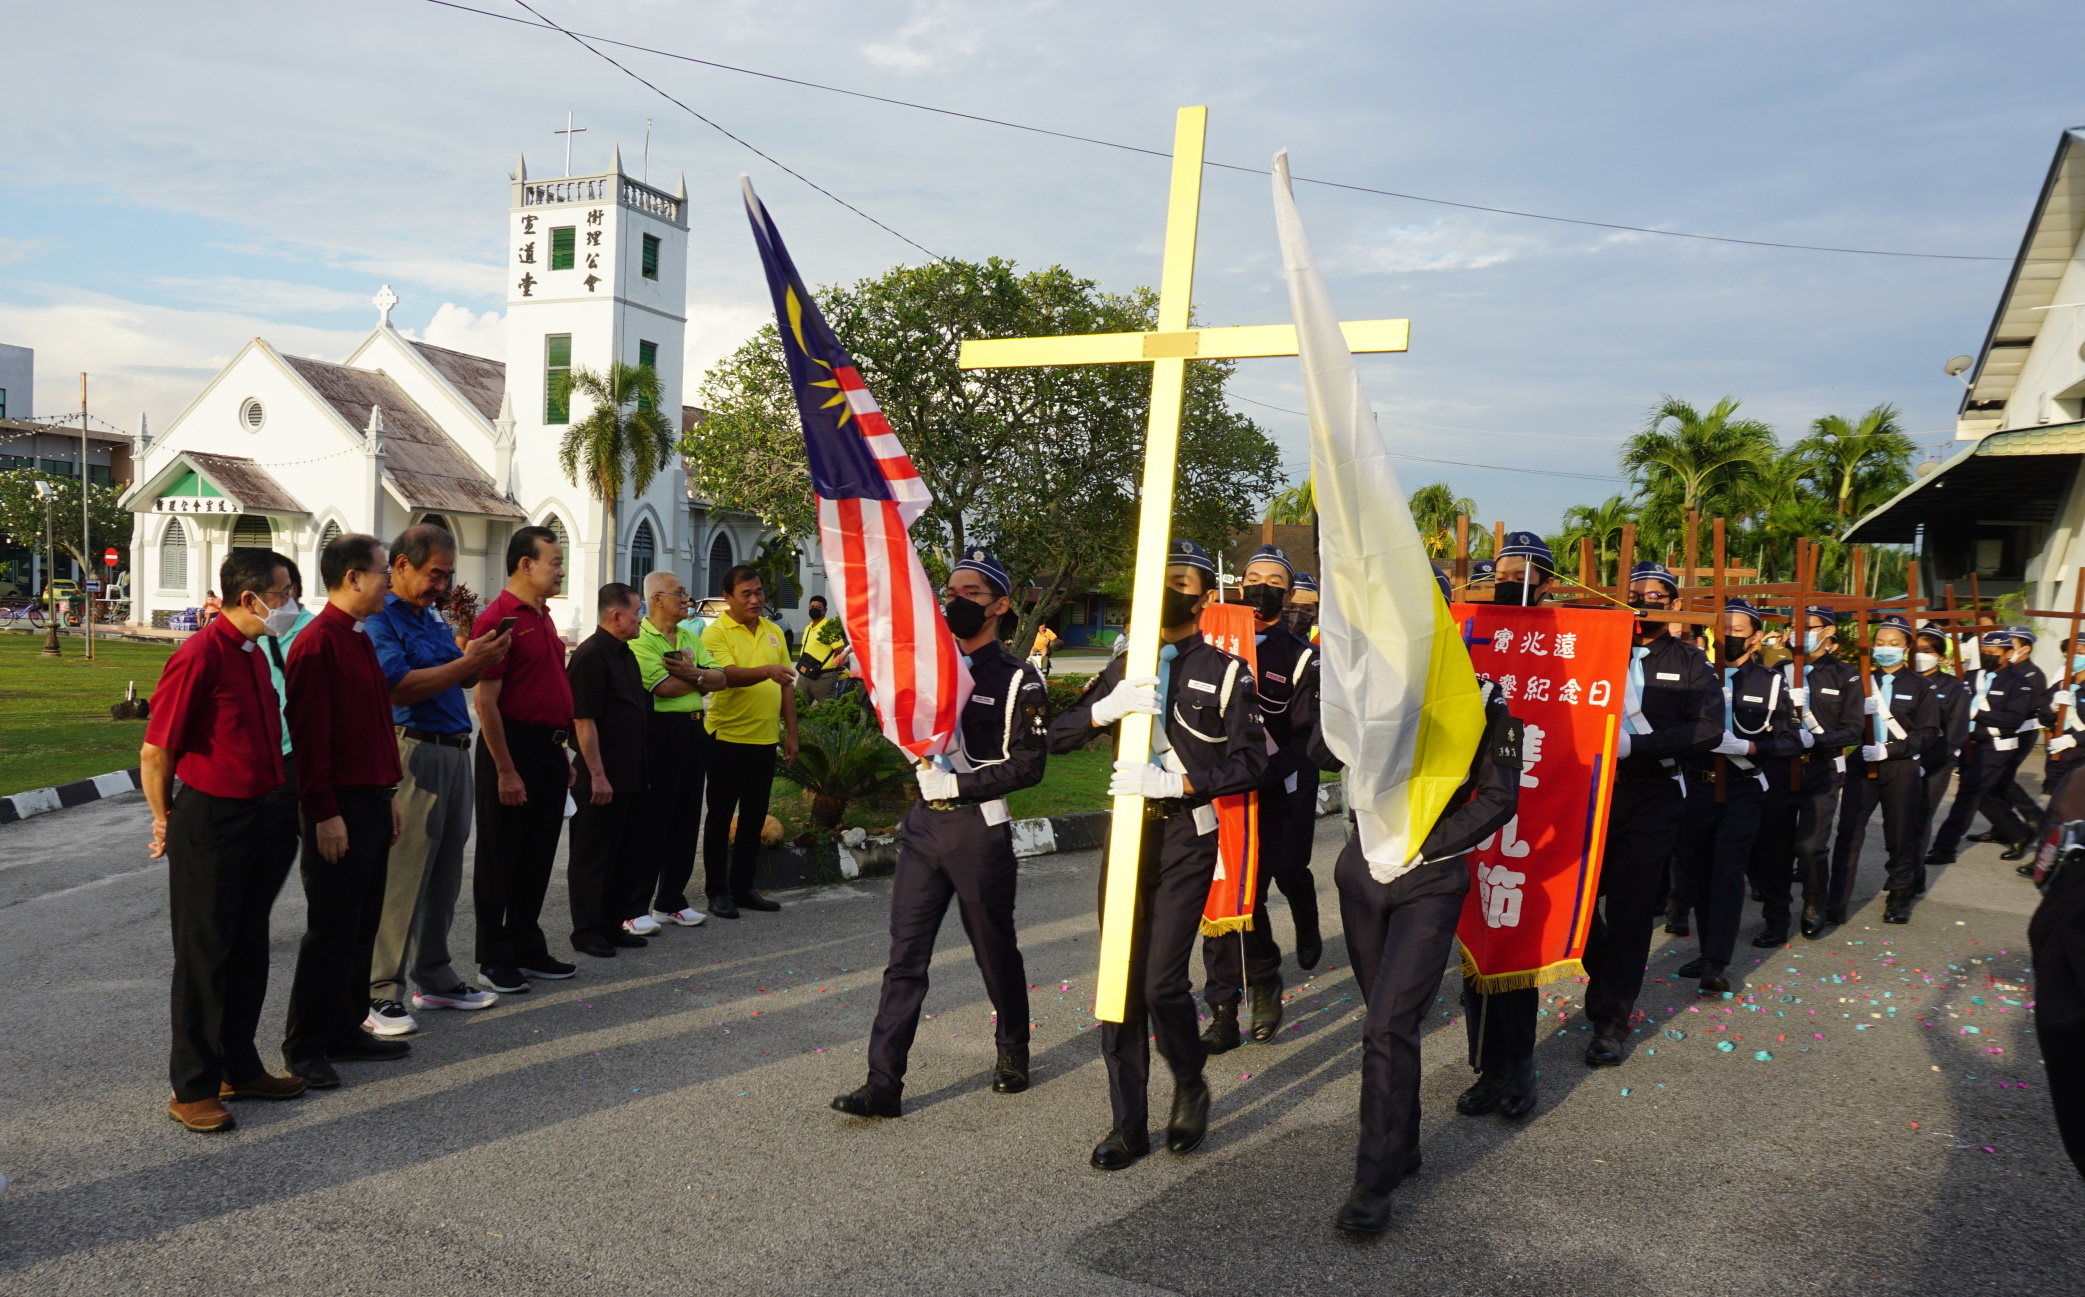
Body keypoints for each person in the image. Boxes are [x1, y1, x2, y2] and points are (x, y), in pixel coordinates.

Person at [1048, 539, 1267, 1171]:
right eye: (1158, 577)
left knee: (1163, 981)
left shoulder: (1227, 671)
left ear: (1202, 594)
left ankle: (1190, 1076)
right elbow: (1058, 739)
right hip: (1127, 836)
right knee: (1120, 978)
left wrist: (1181, 782)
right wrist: (1102, 711)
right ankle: (1128, 1124)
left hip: (1185, 833)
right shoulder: (1124, 668)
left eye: (1180, 578)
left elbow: (1253, 760)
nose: (1168, 587)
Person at [1327, 580, 1522, 1236]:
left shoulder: (1488, 701)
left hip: (1429, 878)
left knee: (1385, 1023)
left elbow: (1498, 799)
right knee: (1387, 1024)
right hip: (1362, 873)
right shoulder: (1361, 688)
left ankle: (1372, 1181)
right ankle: (1401, 1140)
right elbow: (1312, 750)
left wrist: (1419, 847)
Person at [833, 549, 1049, 1119]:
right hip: (925, 830)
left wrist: (962, 787)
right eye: (948, 592)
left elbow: (1030, 764)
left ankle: (1012, 1052)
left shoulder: (1018, 678)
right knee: (905, 957)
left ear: (1000, 606)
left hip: (979, 830)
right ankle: (884, 1083)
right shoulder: (927, 668)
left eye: (970, 595)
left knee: (993, 950)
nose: (954, 603)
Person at [143, 548, 308, 1131]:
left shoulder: (255, 651)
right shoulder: (199, 655)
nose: (291, 603)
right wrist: (165, 819)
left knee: (247, 950)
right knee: (204, 955)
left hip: (262, 817)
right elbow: (156, 751)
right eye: (285, 592)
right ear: (250, 598)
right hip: (212, 819)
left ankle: (239, 1065)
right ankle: (193, 1085)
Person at [362, 525, 512, 1036]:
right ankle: (382, 990)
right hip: (415, 751)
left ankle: (435, 975)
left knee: (445, 874)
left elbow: (460, 675)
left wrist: (479, 657)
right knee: (406, 876)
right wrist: (466, 663)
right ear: (401, 565)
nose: (443, 585)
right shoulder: (383, 620)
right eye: (434, 574)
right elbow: (397, 687)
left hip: (453, 751)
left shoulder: (430, 617)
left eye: (448, 575)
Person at [281, 532, 408, 1090]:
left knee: (362, 926)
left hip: (373, 801)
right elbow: (310, 742)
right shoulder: (316, 644)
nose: (389, 581)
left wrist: (391, 795)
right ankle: (305, 1043)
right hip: (339, 808)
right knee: (331, 929)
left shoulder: (356, 637)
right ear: (352, 577)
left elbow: (375, 727)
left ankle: (345, 1025)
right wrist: (324, 813)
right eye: (383, 572)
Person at [1583, 563, 1720, 1064]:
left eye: (1658, 594)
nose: (1645, 599)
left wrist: (1636, 746)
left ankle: (1611, 1020)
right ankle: (1603, 975)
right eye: (1635, 591)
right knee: (1574, 902)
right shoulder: (1596, 648)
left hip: (1652, 794)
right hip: (1590, 793)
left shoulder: (1688, 661)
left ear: (1674, 603)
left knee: (1631, 908)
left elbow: (1706, 729)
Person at [1200, 544, 1320, 1056]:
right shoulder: (1206, 641)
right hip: (1207, 795)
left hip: (1270, 797)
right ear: (1238, 582)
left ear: (1289, 593)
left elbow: (1303, 740)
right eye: (1253, 576)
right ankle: (1224, 1009)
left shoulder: (1299, 657)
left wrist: (1258, 774)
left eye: (1275, 579)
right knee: (1218, 899)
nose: (1262, 585)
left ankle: (1264, 978)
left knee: (1251, 893)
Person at [1453, 533, 1555, 1103]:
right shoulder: (1472, 629)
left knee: (1514, 939)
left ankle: (1519, 1067)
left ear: (1547, 581)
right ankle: (1487, 1068)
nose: (1512, 575)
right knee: (1475, 938)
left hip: (1534, 796)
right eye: (1505, 567)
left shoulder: (1564, 639)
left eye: (1525, 569)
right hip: (1473, 801)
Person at [1671, 598, 1801, 992]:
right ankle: (1707, 947)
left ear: (1756, 638)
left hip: (1743, 788)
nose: (1726, 637)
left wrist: (1751, 749)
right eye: (1721, 630)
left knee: (1727, 872)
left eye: (1737, 631)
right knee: (1698, 872)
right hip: (1696, 785)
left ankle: (1716, 960)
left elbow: (1791, 740)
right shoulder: (1698, 674)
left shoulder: (1772, 682)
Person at [471, 525, 577, 994]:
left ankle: (527, 945)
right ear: (525, 565)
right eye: (553, 561)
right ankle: (493, 957)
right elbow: (486, 703)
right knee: (502, 855)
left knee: (538, 854)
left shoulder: (543, 615)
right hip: (511, 746)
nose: (560, 569)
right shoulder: (499, 618)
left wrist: (564, 752)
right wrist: (506, 769)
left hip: (548, 749)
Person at [1747, 607, 1862, 943]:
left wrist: (1818, 738)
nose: (1800, 633)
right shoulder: (1776, 671)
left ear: (1827, 631)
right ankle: (1775, 917)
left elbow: (1854, 729)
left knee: (1810, 845)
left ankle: (1814, 905)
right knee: (1775, 845)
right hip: (1780, 767)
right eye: (1795, 627)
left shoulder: (1845, 675)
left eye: (1808, 627)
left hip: (1821, 768)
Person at [701, 565, 801, 918]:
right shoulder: (716, 634)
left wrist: (791, 734)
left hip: (764, 740)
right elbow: (726, 676)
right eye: (746, 594)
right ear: (727, 598)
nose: (756, 599)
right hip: (727, 737)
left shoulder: (774, 631)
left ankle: (743, 887)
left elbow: (786, 684)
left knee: (754, 817)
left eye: (759, 591)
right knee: (720, 817)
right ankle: (716, 891)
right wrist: (765, 672)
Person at [630, 570, 728, 929]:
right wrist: (698, 676)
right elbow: (665, 688)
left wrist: (692, 673)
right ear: (656, 599)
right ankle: (635, 906)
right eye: (680, 592)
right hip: (661, 733)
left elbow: (721, 679)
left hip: (693, 730)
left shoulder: (689, 635)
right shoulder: (641, 637)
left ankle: (671, 900)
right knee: (655, 818)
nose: (687, 598)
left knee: (687, 818)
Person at [1828, 616, 1941, 925]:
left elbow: (1929, 733)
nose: (1885, 649)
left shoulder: (1921, 686)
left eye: (1893, 644)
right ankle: (1836, 899)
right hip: (1862, 764)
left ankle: (1899, 894)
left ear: (1907, 647)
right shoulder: (1860, 680)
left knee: (1900, 833)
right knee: (1848, 833)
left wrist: (1889, 750)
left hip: (1900, 767)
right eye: (1879, 643)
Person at [565, 583, 653, 958]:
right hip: (600, 777)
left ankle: (612, 924)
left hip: (630, 775)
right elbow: (583, 720)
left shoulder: (625, 654)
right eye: (637, 611)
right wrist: (597, 775)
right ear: (616, 616)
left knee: (625, 854)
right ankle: (587, 931)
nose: (641, 618)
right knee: (593, 856)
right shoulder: (591, 656)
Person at [1928, 630, 2049, 864]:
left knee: (1968, 795)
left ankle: (1944, 848)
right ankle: (2020, 832)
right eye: (1984, 653)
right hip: (1969, 744)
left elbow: (2013, 720)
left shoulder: (2020, 683)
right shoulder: (1972, 677)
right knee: (1983, 795)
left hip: (1997, 747)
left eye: (1993, 653)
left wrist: (1978, 713)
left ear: (2009, 653)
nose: (1988, 657)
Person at [1913, 623, 1972, 882]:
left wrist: (1926, 763)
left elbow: (1955, 735)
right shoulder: (1904, 679)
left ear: (1938, 654)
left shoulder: (1954, 688)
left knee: (1919, 819)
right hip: (1902, 759)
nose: (1919, 654)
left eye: (1926, 650)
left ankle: (1912, 881)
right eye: (1915, 649)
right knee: (1901, 821)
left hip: (1935, 763)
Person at [2042, 636, 2084, 800]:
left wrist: (2074, 739)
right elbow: (2043, 719)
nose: (2074, 657)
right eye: (2070, 654)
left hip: (2082, 754)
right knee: (2058, 806)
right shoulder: (2060, 686)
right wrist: (2053, 708)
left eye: (2080, 652)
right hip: (2058, 754)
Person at [794, 593, 850, 706]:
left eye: (818, 607)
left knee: (827, 710)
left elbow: (839, 650)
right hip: (804, 675)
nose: (814, 609)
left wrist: (835, 665)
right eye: (812, 607)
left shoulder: (829, 628)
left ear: (825, 610)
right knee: (797, 707)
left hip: (823, 677)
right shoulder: (808, 627)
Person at [1286, 572, 1320, 644]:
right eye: (1290, 607)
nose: (1296, 617)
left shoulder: (1321, 651)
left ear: (1317, 615)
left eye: (1307, 610)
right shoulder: (1258, 646)